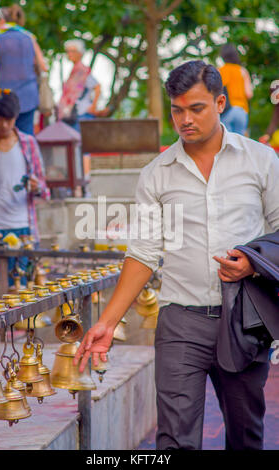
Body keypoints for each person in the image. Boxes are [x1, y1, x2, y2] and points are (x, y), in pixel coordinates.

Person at [73, 60, 279, 450]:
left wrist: (254, 262)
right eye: (177, 109)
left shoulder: (261, 160)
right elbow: (143, 253)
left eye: (196, 108)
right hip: (181, 322)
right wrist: (106, 322)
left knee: (246, 436)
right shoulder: (157, 173)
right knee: (174, 442)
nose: (185, 119)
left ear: (220, 103)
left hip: (245, 320)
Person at [0, 89, 50, 286]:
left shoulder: (28, 143)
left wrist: (36, 186)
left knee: (24, 286)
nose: (4, 125)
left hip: (24, 228)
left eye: (9, 120)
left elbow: (44, 189)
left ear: (16, 118)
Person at [0, 4, 48, 135]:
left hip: (4, 97)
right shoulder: (29, 37)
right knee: (26, 136)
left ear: (1, 20)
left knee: (3, 135)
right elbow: (43, 66)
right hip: (29, 96)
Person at [58, 39, 101, 132]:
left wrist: (93, 106)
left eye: (73, 51)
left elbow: (97, 87)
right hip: (73, 113)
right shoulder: (74, 71)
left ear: (80, 53)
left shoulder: (82, 70)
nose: (70, 54)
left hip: (81, 112)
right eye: (68, 51)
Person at [218, 43, 253, 135]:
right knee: (240, 143)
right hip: (241, 111)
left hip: (226, 111)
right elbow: (249, 94)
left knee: (226, 143)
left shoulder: (220, 71)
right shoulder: (243, 71)